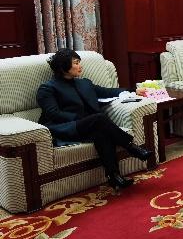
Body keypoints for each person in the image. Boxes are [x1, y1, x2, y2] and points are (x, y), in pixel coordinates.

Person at [37, 49, 153, 190]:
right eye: (76, 63)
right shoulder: (47, 88)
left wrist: (133, 90)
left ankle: (114, 177)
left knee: (101, 133)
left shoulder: (84, 83)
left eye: (79, 62)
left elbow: (107, 91)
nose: (80, 66)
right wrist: (82, 119)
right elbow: (53, 113)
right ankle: (131, 147)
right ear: (63, 67)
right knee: (99, 119)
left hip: (92, 125)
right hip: (67, 127)